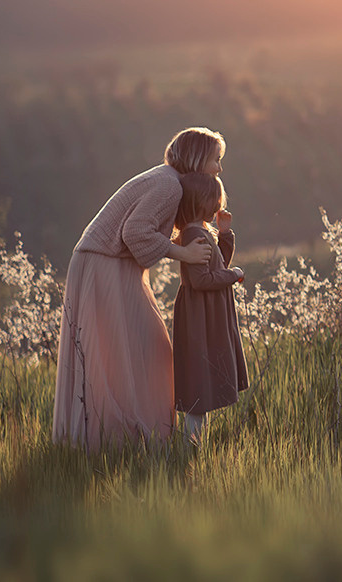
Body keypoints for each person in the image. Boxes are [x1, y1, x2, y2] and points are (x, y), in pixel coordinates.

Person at [52, 126, 225, 452]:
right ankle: (124, 438)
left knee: (140, 349)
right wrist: (184, 253)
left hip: (108, 263)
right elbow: (135, 232)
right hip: (103, 264)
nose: (218, 169)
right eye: (216, 160)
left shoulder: (168, 181)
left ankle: (136, 437)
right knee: (141, 350)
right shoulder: (168, 185)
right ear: (199, 159)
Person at [171, 172, 248, 447]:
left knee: (204, 380)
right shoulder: (193, 234)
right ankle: (189, 446)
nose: (219, 202)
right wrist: (234, 275)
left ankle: (194, 445)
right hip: (199, 316)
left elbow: (217, 266)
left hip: (208, 313)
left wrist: (224, 235)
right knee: (197, 382)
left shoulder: (202, 231)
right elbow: (202, 280)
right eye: (215, 197)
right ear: (202, 201)